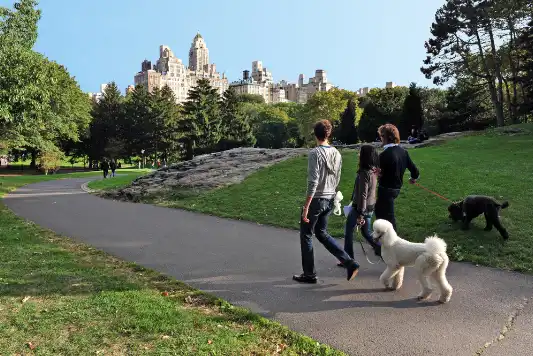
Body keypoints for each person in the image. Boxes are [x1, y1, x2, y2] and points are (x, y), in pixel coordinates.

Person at [293, 119, 360, 284]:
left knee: (306, 234)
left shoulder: (315, 153)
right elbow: (337, 178)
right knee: (321, 232)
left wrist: (306, 206)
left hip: (317, 199)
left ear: (315, 134)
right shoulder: (336, 153)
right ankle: (349, 262)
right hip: (330, 198)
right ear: (329, 134)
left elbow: (313, 181)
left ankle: (309, 274)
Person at [337, 145, 381, 267]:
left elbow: (362, 194)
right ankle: (384, 251)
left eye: (360, 153)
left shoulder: (364, 173)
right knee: (366, 233)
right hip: (370, 206)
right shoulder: (374, 171)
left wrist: (360, 214)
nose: (358, 154)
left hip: (360, 208)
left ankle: (348, 260)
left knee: (348, 232)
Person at [375, 124, 420, 231]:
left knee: (385, 218)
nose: (380, 138)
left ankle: (389, 243)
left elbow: (377, 174)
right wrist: (413, 178)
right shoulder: (403, 152)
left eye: (381, 136)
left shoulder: (383, 155)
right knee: (382, 214)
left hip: (385, 189)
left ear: (385, 137)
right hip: (396, 189)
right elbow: (415, 171)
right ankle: (383, 241)